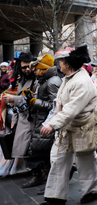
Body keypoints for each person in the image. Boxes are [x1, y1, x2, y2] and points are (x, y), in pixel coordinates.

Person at [39, 46, 97, 205]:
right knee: (59, 160)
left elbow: (71, 109)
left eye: (61, 61)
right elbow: (61, 105)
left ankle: (93, 190)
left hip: (81, 128)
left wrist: (52, 124)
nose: (59, 64)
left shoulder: (81, 81)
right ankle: (55, 196)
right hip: (66, 127)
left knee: (85, 160)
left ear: (69, 63)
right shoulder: (70, 77)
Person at [22, 54, 62, 189]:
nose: (35, 71)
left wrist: (36, 102)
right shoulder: (45, 81)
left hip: (47, 122)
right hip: (41, 120)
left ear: (44, 69)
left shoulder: (52, 82)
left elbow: (56, 106)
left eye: (37, 69)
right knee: (41, 152)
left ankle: (50, 181)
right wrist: (32, 98)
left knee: (41, 151)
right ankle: (47, 181)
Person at [3, 52, 39, 183]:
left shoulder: (36, 79)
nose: (27, 69)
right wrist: (14, 120)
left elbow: (35, 98)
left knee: (28, 147)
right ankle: (36, 171)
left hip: (32, 119)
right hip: (22, 119)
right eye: (24, 67)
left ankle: (38, 172)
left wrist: (14, 99)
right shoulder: (21, 80)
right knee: (23, 148)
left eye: (29, 66)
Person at [0, 61, 27, 177]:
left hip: (21, 116)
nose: (9, 72)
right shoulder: (14, 82)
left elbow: (21, 97)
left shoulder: (21, 82)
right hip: (13, 115)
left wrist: (11, 100)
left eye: (10, 69)